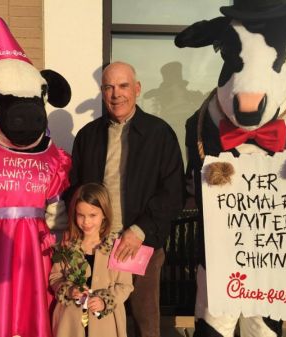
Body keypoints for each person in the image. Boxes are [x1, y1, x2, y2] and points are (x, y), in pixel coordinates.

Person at [69, 61, 185, 337]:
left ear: (137, 89)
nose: (116, 94)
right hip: (97, 244)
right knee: (99, 319)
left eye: (123, 86)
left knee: (144, 320)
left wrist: (139, 230)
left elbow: (173, 190)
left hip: (141, 243)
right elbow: (75, 188)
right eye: (109, 87)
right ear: (102, 91)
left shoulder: (160, 134)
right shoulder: (88, 136)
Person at [50, 183, 134, 337]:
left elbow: (125, 286)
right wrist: (68, 290)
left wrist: (104, 301)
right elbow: (55, 277)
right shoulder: (67, 246)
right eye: (80, 215)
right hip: (70, 326)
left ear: (104, 214)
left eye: (92, 215)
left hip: (106, 325)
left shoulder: (117, 247)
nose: (86, 222)